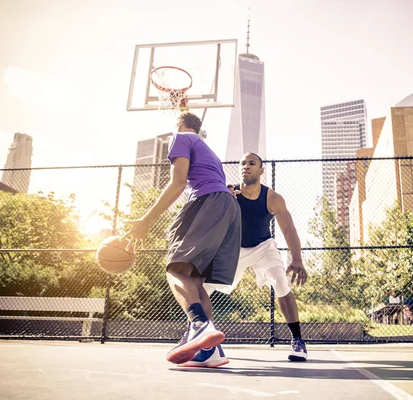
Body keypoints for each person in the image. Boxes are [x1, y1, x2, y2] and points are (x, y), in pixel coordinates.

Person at [123, 112, 241, 368]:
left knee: (175, 269)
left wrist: (146, 221)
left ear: (179, 125)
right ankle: (211, 351)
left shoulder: (180, 136)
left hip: (205, 201)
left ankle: (199, 326)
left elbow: (177, 184)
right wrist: (183, 107)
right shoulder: (206, 148)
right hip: (228, 208)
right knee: (196, 280)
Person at [205, 152, 309, 362]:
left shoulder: (272, 198)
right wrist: (224, 202)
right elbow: (211, 221)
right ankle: (201, 338)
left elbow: (288, 229)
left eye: (252, 163)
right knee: (203, 288)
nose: (246, 166)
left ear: (261, 170)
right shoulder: (229, 193)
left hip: (264, 247)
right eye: (243, 163)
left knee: (280, 281)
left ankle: (298, 341)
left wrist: (296, 259)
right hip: (235, 250)